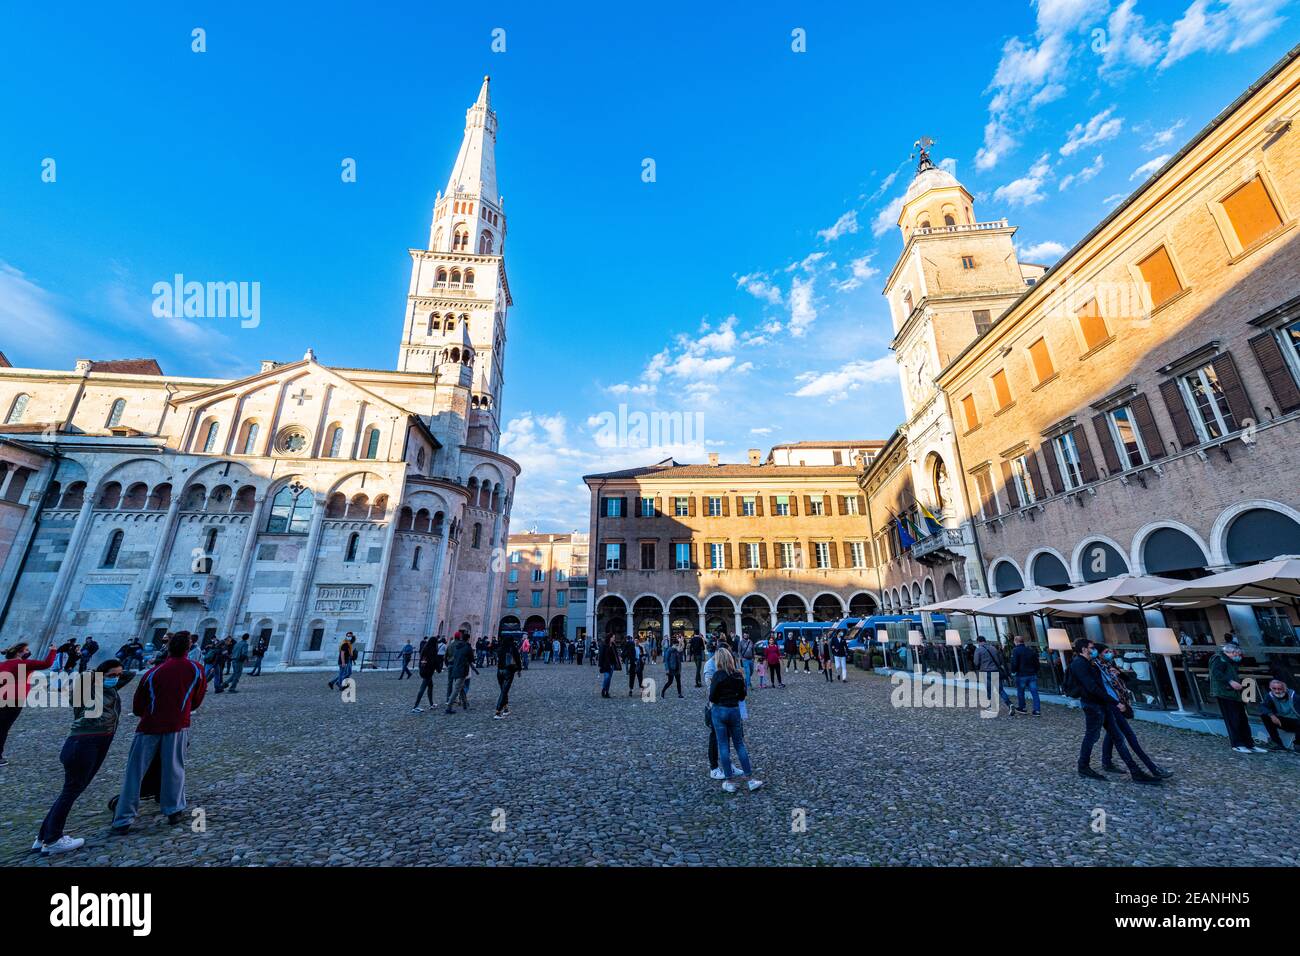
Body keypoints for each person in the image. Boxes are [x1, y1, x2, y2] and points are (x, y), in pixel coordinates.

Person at [34, 658, 136, 855]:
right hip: (85, 742)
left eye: (117, 676)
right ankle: (53, 839)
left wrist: (114, 674)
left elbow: (129, 675)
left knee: (70, 790)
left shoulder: (108, 689)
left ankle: (43, 838)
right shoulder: (87, 689)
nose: (115, 679)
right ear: (99, 676)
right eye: (111, 676)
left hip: (93, 741)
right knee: (71, 791)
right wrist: (92, 675)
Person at [111, 631, 207, 834]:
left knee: (135, 772)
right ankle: (173, 809)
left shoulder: (153, 672)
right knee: (174, 768)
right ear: (188, 648)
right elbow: (197, 699)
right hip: (177, 725)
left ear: (168, 648)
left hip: (148, 726)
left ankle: (123, 818)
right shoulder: (196, 669)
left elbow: (138, 706)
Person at [1068, 639, 1159, 783]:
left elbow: (1102, 684)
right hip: (1093, 706)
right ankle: (1083, 766)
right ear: (1084, 649)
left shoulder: (1089, 663)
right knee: (1092, 736)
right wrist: (1115, 703)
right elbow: (1092, 688)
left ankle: (1135, 772)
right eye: (1092, 648)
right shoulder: (1079, 664)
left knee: (1117, 737)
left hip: (1102, 704)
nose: (1094, 650)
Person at [1095, 644, 1172, 779]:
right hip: (1113, 704)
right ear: (1099, 654)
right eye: (1106, 652)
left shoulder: (1109, 665)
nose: (1110, 654)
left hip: (1119, 701)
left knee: (1113, 733)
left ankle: (1106, 762)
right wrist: (1116, 703)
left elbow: (1125, 679)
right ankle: (1151, 768)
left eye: (1109, 651)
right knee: (1129, 737)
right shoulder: (1096, 668)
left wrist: (1119, 674)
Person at [709, 647, 763, 794]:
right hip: (733, 710)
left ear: (718, 660)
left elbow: (712, 697)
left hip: (719, 711)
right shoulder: (738, 675)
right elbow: (742, 695)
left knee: (723, 745)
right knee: (739, 744)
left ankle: (729, 781)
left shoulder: (717, 675)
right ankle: (750, 779)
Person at [0, 642, 59, 767]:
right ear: (18, 652)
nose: (28, 652)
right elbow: (47, 664)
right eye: (26, 650)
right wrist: (53, 650)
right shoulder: (23, 664)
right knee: (3, 728)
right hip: (14, 700)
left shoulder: (2, 664)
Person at [1209, 641, 1267, 753]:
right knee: (1233, 719)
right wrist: (1230, 681)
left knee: (1242, 718)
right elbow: (1216, 673)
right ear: (1229, 652)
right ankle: (1237, 744)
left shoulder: (1229, 661)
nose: (1238, 657)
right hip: (1225, 693)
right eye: (1236, 654)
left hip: (1234, 694)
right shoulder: (1219, 659)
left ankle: (1249, 743)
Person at [973, 636, 1012, 716]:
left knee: (989, 689)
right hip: (995, 670)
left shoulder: (978, 650)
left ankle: (993, 707)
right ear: (985, 640)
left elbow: (976, 662)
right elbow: (999, 660)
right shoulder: (993, 648)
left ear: (978, 641)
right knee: (1000, 690)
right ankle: (1009, 704)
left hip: (986, 671)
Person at [1260, 679, 1300, 751]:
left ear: (1284, 688)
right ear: (1270, 688)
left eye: (1279, 689)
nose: (1277, 691)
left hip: (1295, 722)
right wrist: (1272, 715)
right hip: (1281, 721)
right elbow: (1263, 706)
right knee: (1265, 716)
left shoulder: (1295, 697)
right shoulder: (1270, 696)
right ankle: (1277, 743)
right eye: (1274, 688)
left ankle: (1298, 744)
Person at [443, 632, 475, 714]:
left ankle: (465, 704)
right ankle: (449, 707)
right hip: (462, 670)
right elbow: (472, 659)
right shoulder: (467, 647)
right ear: (468, 639)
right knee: (457, 689)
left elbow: (451, 657)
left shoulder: (457, 646)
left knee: (461, 687)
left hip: (455, 668)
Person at [1009, 635, 1041, 716]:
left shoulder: (1015, 650)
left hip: (1021, 675)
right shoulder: (1030, 650)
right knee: (1034, 693)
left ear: (1016, 641)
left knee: (1020, 692)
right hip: (1032, 674)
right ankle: (1037, 710)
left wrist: (1013, 671)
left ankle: (1022, 707)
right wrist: (1035, 671)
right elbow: (1036, 662)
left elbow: (1014, 663)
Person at [494, 632, 523, 719]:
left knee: (503, 690)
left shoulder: (500, 648)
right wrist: (519, 670)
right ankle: (498, 712)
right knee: (504, 691)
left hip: (499, 671)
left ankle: (506, 709)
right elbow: (518, 659)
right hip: (508, 671)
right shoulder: (512, 648)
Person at [412, 640, 439, 713]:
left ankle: (431, 704)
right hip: (428, 672)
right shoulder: (432, 652)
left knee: (430, 686)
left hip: (424, 671)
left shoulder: (425, 650)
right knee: (422, 688)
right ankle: (415, 706)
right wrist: (438, 668)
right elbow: (434, 662)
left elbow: (422, 661)